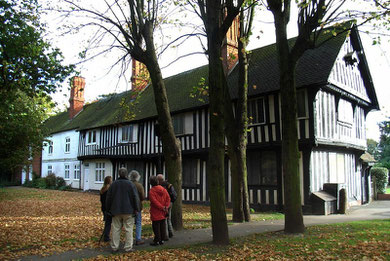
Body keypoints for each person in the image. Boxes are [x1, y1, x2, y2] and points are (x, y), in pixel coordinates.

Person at [106, 168, 140, 253]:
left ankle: (114, 247)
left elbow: (108, 198)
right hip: (128, 210)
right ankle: (128, 247)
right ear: (126, 174)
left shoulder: (113, 184)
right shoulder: (130, 184)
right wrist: (136, 209)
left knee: (116, 229)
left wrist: (108, 209)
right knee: (129, 229)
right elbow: (135, 197)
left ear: (119, 174)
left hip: (115, 210)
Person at [148, 175, 170, 246]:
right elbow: (168, 198)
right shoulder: (163, 189)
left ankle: (157, 239)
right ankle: (162, 239)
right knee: (162, 225)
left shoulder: (152, 191)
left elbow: (154, 201)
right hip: (163, 211)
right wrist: (166, 207)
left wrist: (161, 207)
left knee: (156, 226)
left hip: (155, 211)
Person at [157, 174, 177, 238]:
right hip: (169, 203)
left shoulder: (160, 186)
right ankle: (170, 232)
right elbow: (174, 195)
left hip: (165, 204)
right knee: (168, 218)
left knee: (164, 219)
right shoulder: (169, 185)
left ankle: (165, 234)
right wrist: (171, 202)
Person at [129, 170, 145, 245]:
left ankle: (129, 239)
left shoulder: (128, 184)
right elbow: (142, 197)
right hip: (138, 206)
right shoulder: (139, 186)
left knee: (129, 223)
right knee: (138, 222)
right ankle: (138, 239)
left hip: (129, 206)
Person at [100, 176, 112, 242]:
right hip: (108, 208)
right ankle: (106, 236)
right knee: (108, 222)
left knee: (107, 222)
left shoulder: (102, 189)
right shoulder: (108, 190)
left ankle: (106, 235)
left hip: (104, 207)